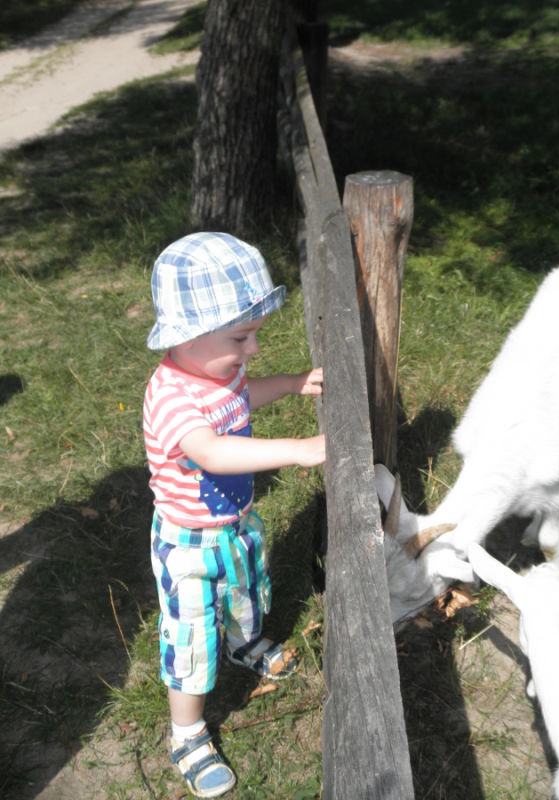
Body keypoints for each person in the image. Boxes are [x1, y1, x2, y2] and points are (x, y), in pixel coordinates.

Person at [143, 232, 326, 798]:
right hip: (189, 545)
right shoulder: (173, 396)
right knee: (191, 635)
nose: (251, 350)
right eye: (240, 337)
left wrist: (293, 385)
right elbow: (214, 451)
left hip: (235, 524)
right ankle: (188, 733)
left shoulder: (219, 373)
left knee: (248, 593)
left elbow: (243, 401)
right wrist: (296, 447)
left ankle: (244, 643)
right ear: (189, 336)